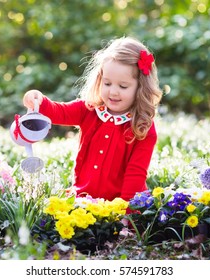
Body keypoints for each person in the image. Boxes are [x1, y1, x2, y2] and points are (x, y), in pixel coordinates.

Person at [23, 36, 163, 202]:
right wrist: (39, 100)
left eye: (123, 86)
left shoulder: (142, 127)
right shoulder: (89, 109)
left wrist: (126, 215)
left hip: (120, 206)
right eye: (107, 83)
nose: (113, 92)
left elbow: (136, 174)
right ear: (99, 80)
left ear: (141, 88)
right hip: (83, 200)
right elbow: (59, 112)